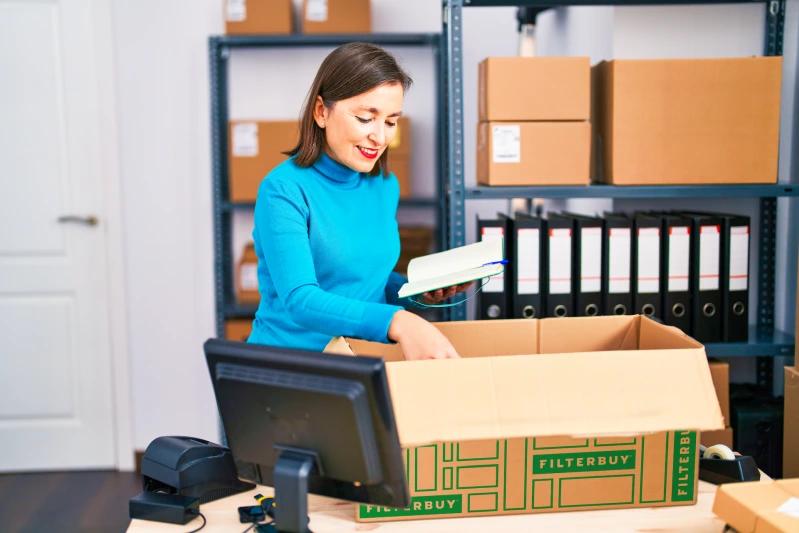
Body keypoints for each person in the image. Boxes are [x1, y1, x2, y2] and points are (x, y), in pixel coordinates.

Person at [248, 42, 471, 360]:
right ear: (321, 112)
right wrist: (398, 322)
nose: (380, 137)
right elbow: (301, 300)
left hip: (359, 359)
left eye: (391, 122)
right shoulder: (283, 190)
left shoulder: (384, 186)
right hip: (293, 367)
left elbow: (364, 282)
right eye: (366, 118)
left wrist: (415, 291)